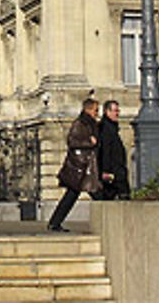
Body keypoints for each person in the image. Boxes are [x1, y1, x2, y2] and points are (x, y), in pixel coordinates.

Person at [47, 97, 101, 232]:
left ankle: (54, 222)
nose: (97, 113)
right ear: (88, 109)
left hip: (85, 166)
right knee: (96, 194)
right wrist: (90, 142)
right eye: (95, 110)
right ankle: (54, 223)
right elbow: (72, 141)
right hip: (80, 166)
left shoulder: (90, 123)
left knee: (74, 195)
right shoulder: (80, 123)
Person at [97, 100, 130, 200]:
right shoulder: (106, 128)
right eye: (115, 111)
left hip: (117, 170)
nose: (117, 114)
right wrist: (105, 171)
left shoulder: (112, 127)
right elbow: (105, 151)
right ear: (107, 111)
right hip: (113, 172)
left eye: (118, 111)